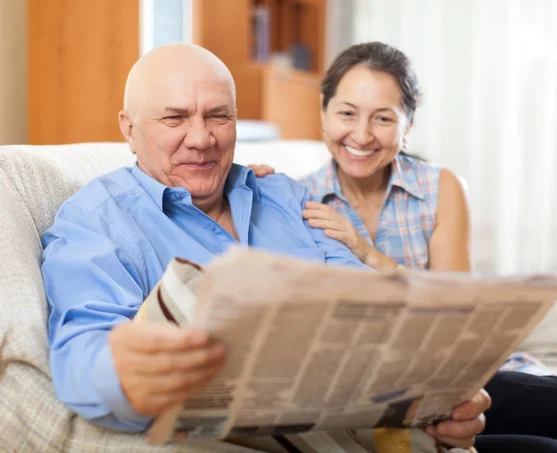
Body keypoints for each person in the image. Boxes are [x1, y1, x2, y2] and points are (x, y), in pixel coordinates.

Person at [41, 43, 490, 451]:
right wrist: (127, 376)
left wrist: (443, 386)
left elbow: (377, 304)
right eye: (174, 118)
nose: (201, 139)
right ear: (129, 128)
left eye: (218, 116)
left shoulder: (286, 196)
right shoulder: (97, 220)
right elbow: (82, 353)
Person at [250, 42, 557, 453]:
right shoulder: (296, 199)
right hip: (370, 393)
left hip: (458, 377)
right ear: (323, 112)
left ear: (408, 124)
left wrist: (366, 253)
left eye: (383, 118)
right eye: (346, 113)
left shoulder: (439, 188)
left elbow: (459, 315)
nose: (361, 135)